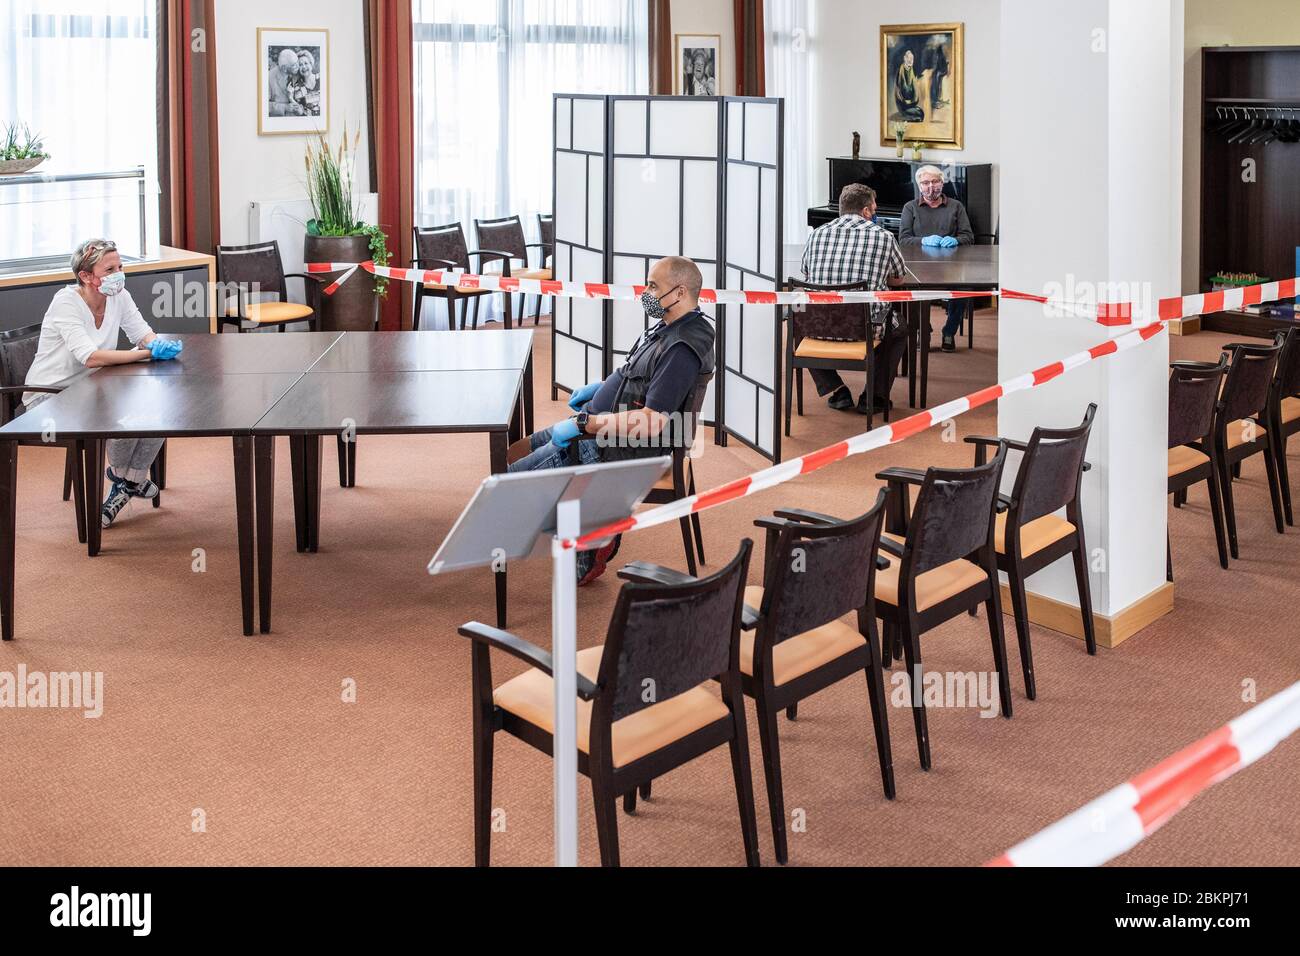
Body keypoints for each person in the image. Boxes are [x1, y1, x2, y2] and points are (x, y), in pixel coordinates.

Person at [509, 256, 715, 585]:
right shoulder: (671, 325)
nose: (645, 292)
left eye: (653, 286)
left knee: (509, 483)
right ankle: (594, 523)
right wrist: (599, 390)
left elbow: (651, 423)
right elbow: (636, 373)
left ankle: (597, 534)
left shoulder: (682, 348)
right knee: (515, 451)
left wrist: (586, 426)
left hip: (616, 447)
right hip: (597, 426)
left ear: (678, 292)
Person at [22, 239, 183, 529]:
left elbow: (141, 331)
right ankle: (128, 480)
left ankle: (127, 480)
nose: (119, 274)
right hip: (50, 398)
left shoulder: (119, 296)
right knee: (122, 414)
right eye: (110, 269)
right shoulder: (66, 302)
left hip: (92, 387)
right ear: (85, 275)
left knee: (158, 408)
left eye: (120, 266)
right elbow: (91, 357)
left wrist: (157, 344)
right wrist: (146, 355)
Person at [798, 183, 907, 415]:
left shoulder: (816, 234)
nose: (875, 213)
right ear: (866, 211)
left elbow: (806, 275)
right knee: (898, 330)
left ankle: (836, 390)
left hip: (817, 327)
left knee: (797, 326)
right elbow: (898, 279)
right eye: (874, 209)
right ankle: (874, 397)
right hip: (865, 328)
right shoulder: (884, 237)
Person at [898, 164, 974, 352]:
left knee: (963, 290)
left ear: (942, 182)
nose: (930, 187)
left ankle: (949, 332)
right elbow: (903, 239)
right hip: (920, 269)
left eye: (935, 181)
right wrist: (924, 240)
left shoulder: (956, 206)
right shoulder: (910, 207)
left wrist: (955, 240)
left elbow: (968, 236)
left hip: (951, 267)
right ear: (919, 185)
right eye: (925, 183)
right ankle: (924, 330)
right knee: (908, 291)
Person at [268, 48, 303, 117]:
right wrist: (284, 107)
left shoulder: (299, 73)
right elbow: (262, 105)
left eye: (297, 62)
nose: (298, 66)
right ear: (284, 68)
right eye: (294, 65)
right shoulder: (269, 77)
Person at [894, 49, 925, 122]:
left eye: (912, 59)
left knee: (921, 113)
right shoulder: (900, 71)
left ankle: (909, 117)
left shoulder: (912, 71)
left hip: (911, 104)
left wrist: (912, 101)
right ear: (905, 58)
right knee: (919, 114)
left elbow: (915, 92)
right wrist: (905, 101)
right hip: (903, 105)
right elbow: (898, 92)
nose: (911, 60)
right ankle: (906, 117)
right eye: (909, 58)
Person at [293, 49, 320, 116]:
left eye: (306, 63)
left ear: (311, 64)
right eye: (300, 65)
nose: (304, 67)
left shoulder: (321, 78)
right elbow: (302, 114)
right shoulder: (297, 88)